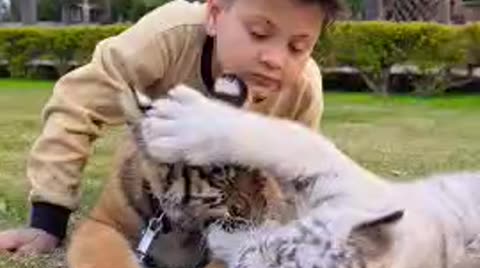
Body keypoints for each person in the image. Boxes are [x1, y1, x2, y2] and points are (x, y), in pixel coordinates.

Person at [0, 0, 343, 255]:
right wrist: (48, 220)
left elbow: (296, 180)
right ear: (214, 15)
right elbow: (78, 103)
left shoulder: (303, 89)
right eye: (259, 33)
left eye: (298, 47)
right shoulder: (166, 37)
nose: (275, 58)